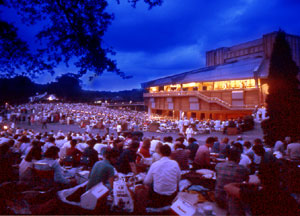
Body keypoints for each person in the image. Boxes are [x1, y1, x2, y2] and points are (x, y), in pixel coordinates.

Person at [224, 163, 300, 215]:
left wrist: (246, 184)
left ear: (260, 177)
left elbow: (228, 187)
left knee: (233, 198)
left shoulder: (257, 195)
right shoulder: (288, 198)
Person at [215, 147, 249, 214]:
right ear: (238, 158)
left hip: (218, 199)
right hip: (231, 203)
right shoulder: (243, 169)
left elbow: (217, 177)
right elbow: (246, 182)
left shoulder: (218, 165)